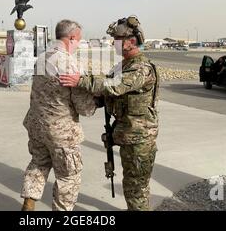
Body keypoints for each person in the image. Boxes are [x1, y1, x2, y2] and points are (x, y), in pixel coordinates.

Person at [60, 15, 160, 211]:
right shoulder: (123, 65)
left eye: (117, 41)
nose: (113, 44)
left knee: (136, 188)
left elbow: (113, 86)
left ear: (131, 42)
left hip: (139, 139)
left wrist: (79, 80)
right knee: (130, 184)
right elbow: (107, 93)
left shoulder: (141, 68)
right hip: (127, 134)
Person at [21, 20, 98, 211]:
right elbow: (84, 108)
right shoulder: (70, 63)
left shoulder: (42, 57)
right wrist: (97, 100)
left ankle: (28, 204)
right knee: (68, 176)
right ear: (72, 37)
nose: (79, 44)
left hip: (37, 126)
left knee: (39, 163)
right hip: (61, 132)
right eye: (79, 40)